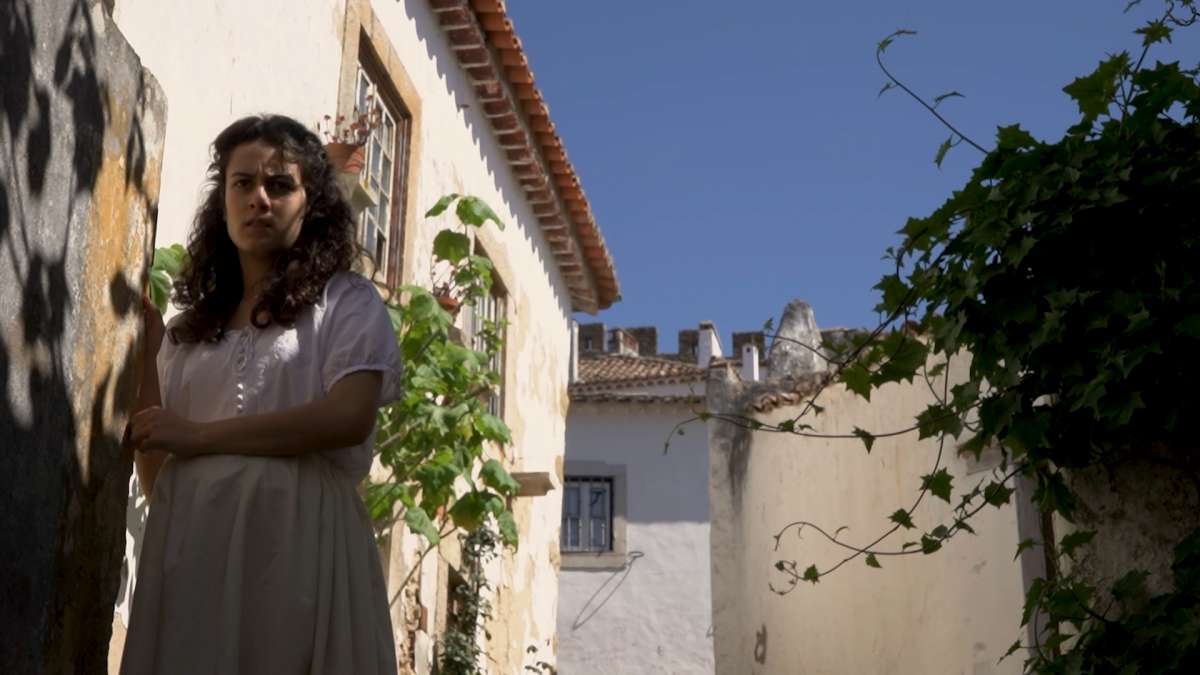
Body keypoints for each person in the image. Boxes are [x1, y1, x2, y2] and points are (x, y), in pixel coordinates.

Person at [121, 114, 401, 675]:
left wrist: (200, 436)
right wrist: (149, 354)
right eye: (242, 183)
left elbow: (348, 417)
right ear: (221, 199)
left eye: (280, 185)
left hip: (298, 552)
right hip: (195, 554)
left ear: (311, 202)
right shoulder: (190, 330)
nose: (259, 200)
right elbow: (158, 477)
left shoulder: (345, 302)